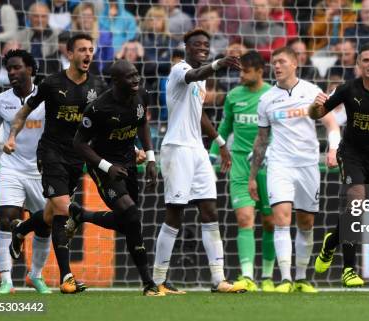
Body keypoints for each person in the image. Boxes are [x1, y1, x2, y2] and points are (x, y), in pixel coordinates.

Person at [4, 33, 107, 294]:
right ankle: (67, 276)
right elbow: (25, 109)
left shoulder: (97, 84)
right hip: (51, 153)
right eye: (82, 50)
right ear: (69, 54)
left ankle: (22, 229)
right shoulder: (51, 83)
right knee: (63, 208)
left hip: (76, 157)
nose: (87, 54)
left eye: (91, 50)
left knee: (51, 214)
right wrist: (13, 135)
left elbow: (106, 120)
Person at [152, 29, 246, 294]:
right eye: (197, 45)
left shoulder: (202, 80)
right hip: (177, 148)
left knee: (210, 211)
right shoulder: (179, 69)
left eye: (206, 44)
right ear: (187, 47)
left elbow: (198, 112)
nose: (203, 48)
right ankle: (158, 280)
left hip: (197, 151)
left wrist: (220, 141)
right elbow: (195, 74)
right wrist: (217, 64)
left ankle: (219, 280)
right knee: (175, 214)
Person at [66, 60, 163, 296]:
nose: (136, 80)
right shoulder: (99, 108)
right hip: (103, 167)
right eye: (130, 77)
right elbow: (78, 144)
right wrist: (106, 166)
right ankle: (148, 283)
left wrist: (150, 158)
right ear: (116, 81)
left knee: (129, 220)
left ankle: (81, 215)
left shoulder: (141, 95)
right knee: (131, 214)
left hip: (129, 164)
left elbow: (142, 125)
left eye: (136, 75)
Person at [309, 43, 369, 287]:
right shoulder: (348, 89)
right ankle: (349, 270)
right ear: (359, 64)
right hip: (351, 154)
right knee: (356, 202)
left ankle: (330, 243)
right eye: (366, 60)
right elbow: (316, 114)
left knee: (356, 210)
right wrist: (316, 104)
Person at [249, 46, 340, 293]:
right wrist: (252, 177)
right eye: (274, 63)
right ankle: (285, 279)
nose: (276, 66)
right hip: (280, 165)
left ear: (295, 63)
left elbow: (331, 124)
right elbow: (261, 140)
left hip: (308, 165)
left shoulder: (312, 91)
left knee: (306, 222)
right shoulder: (266, 99)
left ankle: (301, 278)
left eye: (281, 62)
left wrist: (333, 149)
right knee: (281, 219)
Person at [0, 49, 50, 294]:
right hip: (11, 168)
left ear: (30, 69)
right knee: (6, 219)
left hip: (41, 172)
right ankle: (6, 280)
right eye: (9, 69)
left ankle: (35, 276)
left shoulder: (47, 96)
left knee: (44, 225)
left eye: (17, 67)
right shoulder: (1, 101)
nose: (12, 72)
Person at [208, 51, 276, 292]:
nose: (241, 75)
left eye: (246, 70)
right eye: (240, 70)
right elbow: (224, 127)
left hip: (268, 163)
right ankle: (247, 276)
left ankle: (267, 276)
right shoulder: (234, 96)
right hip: (239, 162)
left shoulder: (272, 95)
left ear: (260, 71)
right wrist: (213, 154)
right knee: (245, 218)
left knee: (270, 221)